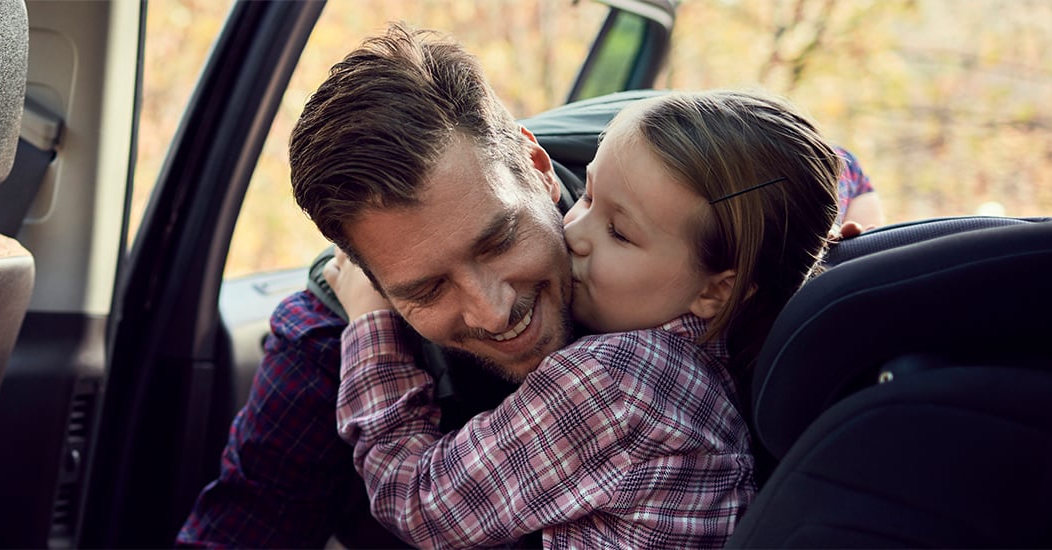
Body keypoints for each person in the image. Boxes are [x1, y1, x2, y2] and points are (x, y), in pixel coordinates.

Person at [177, 23, 877, 547]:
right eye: (423, 290)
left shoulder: (653, 174)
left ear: (540, 166)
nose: (493, 309)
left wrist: (843, 242)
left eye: (500, 238)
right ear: (368, 276)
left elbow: (815, 165)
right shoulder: (323, 344)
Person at [326, 90, 840, 548]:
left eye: (618, 231)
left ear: (716, 289)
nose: (573, 232)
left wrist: (370, 328)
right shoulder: (725, 342)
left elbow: (423, 505)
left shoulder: (612, 381)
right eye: (589, 195)